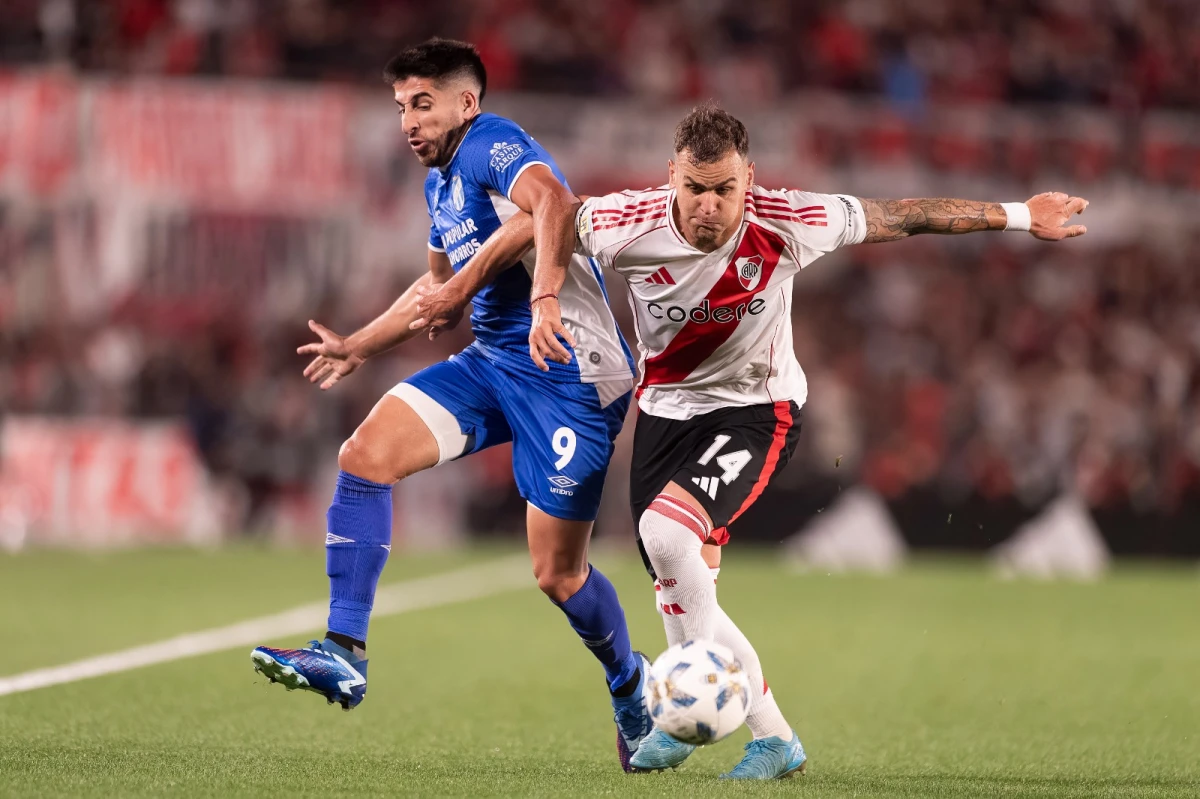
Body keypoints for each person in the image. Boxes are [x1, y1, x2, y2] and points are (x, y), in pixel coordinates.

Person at [417, 101, 1088, 779]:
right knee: (679, 583)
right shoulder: (627, 222)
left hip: (756, 410)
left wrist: (1023, 215)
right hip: (665, 414)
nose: (709, 207)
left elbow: (903, 215)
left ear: (750, 179)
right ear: (671, 176)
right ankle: (706, 725)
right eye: (695, 189)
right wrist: (497, 290)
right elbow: (543, 221)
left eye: (725, 190)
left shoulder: (791, 220)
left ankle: (765, 734)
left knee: (669, 537)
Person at [250, 39, 655, 771]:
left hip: (569, 369)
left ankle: (631, 685)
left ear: (466, 102)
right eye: (402, 105)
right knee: (364, 455)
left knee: (557, 574)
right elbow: (434, 293)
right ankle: (343, 651)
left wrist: (540, 297)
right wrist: (359, 345)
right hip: (496, 363)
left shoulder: (494, 144)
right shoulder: (439, 186)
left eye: (423, 102)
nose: (408, 119)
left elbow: (552, 206)